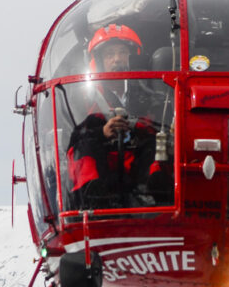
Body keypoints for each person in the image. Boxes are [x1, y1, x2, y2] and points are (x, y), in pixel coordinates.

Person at [66, 23, 170, 209]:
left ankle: (159, 189)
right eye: (110, 54)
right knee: (82, 147)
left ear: (132, 58)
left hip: (137, 160)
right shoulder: (84, 96)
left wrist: (139, 127)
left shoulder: (148, 92)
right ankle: (92, 194)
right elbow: (75, 135)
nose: (117, 59)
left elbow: (160, 125)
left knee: (157, 145)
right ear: (98, 61)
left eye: (122, 53)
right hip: (104, 162)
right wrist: (103, 132)